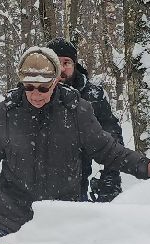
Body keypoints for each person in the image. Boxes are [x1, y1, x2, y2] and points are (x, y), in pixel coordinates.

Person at [0, 47, 150, 240]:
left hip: (61, 221)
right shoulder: (5, 113)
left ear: (55, 81)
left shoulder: (76, 111)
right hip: (10, 221)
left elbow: (107, 150)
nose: (36, 95)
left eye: (43, 88)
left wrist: (146, 166)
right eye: (29, 87)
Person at [46, 38, 124, 202]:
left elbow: (111, 137)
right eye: (55, 63)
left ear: (74, 65)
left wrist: (110, 177)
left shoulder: (92, 96)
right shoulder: (31, 92)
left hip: (76, 181)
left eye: (66, 62)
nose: (61, 68)